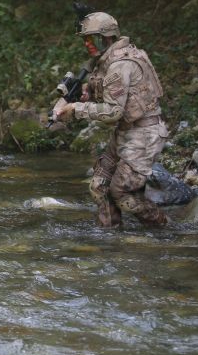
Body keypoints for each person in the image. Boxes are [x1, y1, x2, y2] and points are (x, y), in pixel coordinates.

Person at [55, 12, 169, 227]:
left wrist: (76, 109)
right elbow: (112, 94)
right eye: (84, 40)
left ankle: (165, 230)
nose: (86, 44)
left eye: (90, 38)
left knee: (123, 195)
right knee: (99, 186)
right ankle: (110, 238)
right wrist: (86, 94)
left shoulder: (120, 64)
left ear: (105, 37)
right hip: (127, 131)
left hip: (144, 134)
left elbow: (113, 112)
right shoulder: (108, 59)